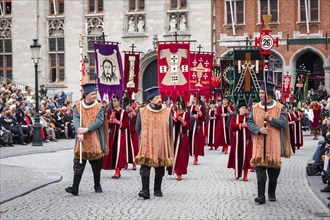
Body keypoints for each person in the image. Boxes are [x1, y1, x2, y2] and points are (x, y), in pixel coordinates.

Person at [247, 81, 291, 204]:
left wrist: (270, 119)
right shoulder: (255, 108)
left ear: (269, 95)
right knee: (260, 171)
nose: (260, 95)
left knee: (273, 172)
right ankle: (261, 196)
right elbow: (250, 123)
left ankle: (271, 192)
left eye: (262, 93)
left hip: (274, 144)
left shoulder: (280, 108)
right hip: (259, 144)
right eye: (260, 93)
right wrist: (258, 129)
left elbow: (283, 123)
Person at [65, 83, 108, 196]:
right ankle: (75, 187)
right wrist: (79, 129)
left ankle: (97, 185)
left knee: (96, 164)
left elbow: (99, 121)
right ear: (86, 95)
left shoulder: (99, 107)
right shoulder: (78, 106)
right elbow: (76, 118)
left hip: (95, 138)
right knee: (78, 163)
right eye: (93, 94)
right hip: (81, 139)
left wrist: (86, 130)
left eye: (95, 94)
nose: (95, 96)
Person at [134, 86, 174, 199]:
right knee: (145, 168)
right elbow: (138, 128)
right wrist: (145, 137)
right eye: (156, 98)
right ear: (150, 100)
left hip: (161, 144)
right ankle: (145, 190)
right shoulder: (142, 112)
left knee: (160, 168)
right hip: (146, 144)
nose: (159, 99)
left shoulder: (167, 112)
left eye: (159, 97)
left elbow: (170, 129)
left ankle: (157, 189)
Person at [102, 94, 129, 178]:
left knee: (119, 152)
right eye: (112, 101)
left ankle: (118, 170)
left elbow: (126, 125)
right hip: (113, 134)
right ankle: (115, 169)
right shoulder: (110, 111)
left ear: (119, 101)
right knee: (112, 152)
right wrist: (110, 120)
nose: (113, 103)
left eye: (115, 101)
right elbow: (108, 125)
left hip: (121, 135)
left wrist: (117, 121)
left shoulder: (124, 112)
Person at [227, 101, 252, 181]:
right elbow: (232, 125)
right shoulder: (235, 117)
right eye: (242, 108)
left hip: (246, 140)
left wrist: (248, 115)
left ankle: (245, 175)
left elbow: (252, 124)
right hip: (237, 141)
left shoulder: (248, 117)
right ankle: (237, 173)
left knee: (246, 158)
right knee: (237, 156)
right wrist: (241, 125)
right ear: (239, 109)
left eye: (245, 108)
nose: (244, 109)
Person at [168, 97, 190, 181]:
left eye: (180, 104)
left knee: (182, 155)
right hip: (174, 137)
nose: (179, 106)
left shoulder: (186, 114)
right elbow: (169, 124)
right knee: (173, 154)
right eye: (177, 104)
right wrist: (175, 118)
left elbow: (188, 126)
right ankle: (173, 169)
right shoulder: (172, 113)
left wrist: (183, 121)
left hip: (182, 137)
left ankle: (179, 172)